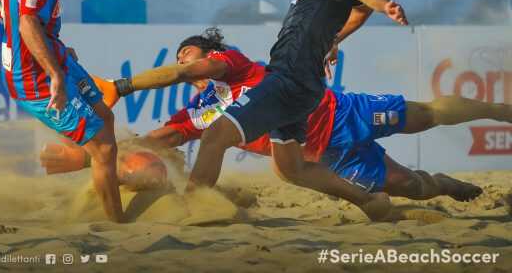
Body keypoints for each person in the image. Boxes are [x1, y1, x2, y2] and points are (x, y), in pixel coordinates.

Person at [43, 30, 509, 205]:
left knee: (426, 115)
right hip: (324, 158)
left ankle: (500, 110)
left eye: (189, 54)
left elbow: (187, 70)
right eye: (180, 59)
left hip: (339, 112)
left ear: (209, 53)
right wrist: (91, 156)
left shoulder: (231, 63)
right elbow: (156, 140)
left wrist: (124, 85)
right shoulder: (199, 115)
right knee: (413, 187)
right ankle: (446, 184)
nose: (184, 64)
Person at [170, 0, 410, 220]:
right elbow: (359, 6)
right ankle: (368, 202)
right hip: (301, 85)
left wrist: (385, 4)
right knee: (290, 169)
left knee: (216, 135)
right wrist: (336, 38)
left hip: (289, 81)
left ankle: (190, 212)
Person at [0, 0, 124, 222]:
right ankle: (117, 225)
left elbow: (8, 13)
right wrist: (53, 73)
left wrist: (54, 46)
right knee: (104, 147)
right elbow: (25, 23)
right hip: (35, 76)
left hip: (52, 58)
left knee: (106, 120)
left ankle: (106, 195)